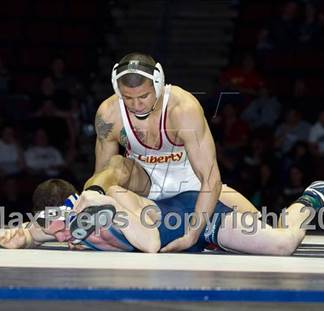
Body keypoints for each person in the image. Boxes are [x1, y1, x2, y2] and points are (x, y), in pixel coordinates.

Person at [0, 179, 324, 255]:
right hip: (186, 235)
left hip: (196, 219)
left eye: (58, 225)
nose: (60, 237)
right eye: (50, 226)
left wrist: (104, 208)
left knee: (283, 243)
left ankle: (312, 198)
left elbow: (152, 245)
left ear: (74, 206)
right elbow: (34, 232)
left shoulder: (106, 203)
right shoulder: (60, 224)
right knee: (268, 233)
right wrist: (20, 236)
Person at [83, 52, 222, 252]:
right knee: (114, 164)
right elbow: (102, 174)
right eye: (128, 98)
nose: (136, 105)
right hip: (143, 182)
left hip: (190, 183)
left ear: (158, 84)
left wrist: (192, 235)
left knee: (264, 236)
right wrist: (92, 201)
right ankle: (80, 212)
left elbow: (211, 179)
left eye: (144, 96)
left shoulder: (183, 109)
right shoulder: (109, 114)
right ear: (117, 88)